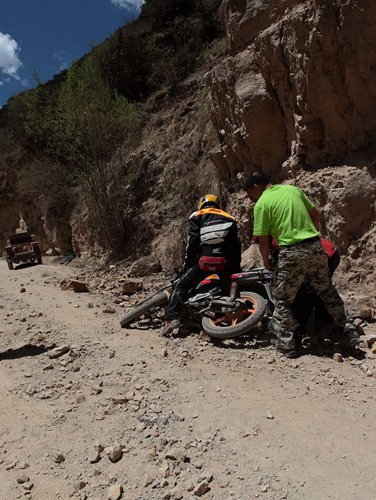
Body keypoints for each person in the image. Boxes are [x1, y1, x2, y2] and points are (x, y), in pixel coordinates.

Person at [245, 170, 359, 358]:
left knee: (282, 298)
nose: (250, 198)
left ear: (256, 187)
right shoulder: (293, 190)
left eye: (250, 193)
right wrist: (312, 235)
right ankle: (347, 329)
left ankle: (287, 344)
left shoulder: (262, 204)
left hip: (291, 251)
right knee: (325, 290)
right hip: (315, 246)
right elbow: (316, 214)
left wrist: (266, 261)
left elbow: (263, 239)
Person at [161, 194, 242, 337]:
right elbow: (235, 246)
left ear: (201, 204)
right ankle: (215, 319)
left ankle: (171, 318)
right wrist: (236, 268)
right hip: (225, 262)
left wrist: (188, 264)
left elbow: (192, 242)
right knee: (224, 288)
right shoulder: (230, 217)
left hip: (205, 261)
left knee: (180, 285)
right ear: (218, 204)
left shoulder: (197, 215)